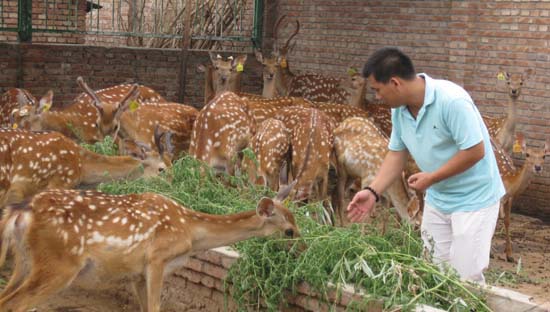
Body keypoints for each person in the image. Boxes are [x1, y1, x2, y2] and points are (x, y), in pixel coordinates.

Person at [347, 47, 505, 283]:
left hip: (475, 201)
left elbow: (475, 151)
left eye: (377, 90)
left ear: (395, 83)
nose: (377, 97)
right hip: (439, 200)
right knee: (432, 274)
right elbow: (396, 154)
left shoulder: (452, 101)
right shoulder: (399, 111)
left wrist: (432, 178)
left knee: (465, 279)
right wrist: (372, 192)